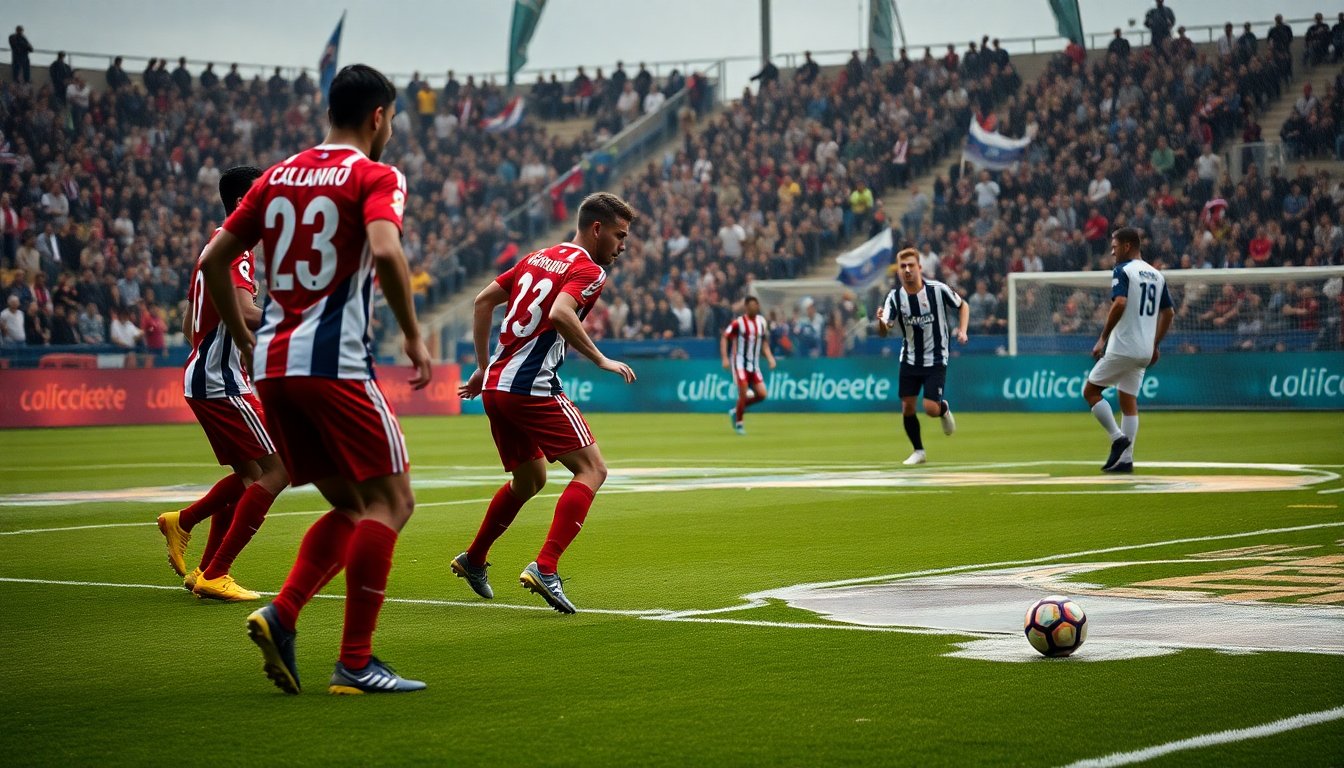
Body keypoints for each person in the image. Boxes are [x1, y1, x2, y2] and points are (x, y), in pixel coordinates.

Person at [199, 64, 432, 695]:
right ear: (379, 116)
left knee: (355, 507)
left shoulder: (275, 177)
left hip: (274, 368)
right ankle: (356, 662)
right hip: (334, 363)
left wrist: (246, 335)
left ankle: (284, 613)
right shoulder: (375, 175)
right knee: (392, 502)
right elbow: (385, 250)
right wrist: (411, 334)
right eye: (391, 121)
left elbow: (212, 259)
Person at [454, 192, 637, 615]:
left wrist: (483, 368)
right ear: (596, 229)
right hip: (531, 387)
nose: (622, 245)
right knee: (594, 469)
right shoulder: (588, 269)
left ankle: (474, 559)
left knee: (529, 480)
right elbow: (560, 312)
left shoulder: (537, 257)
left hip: (498, 388)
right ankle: (546, 566)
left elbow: (482, 301)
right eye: (619, 234)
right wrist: (600, 358)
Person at [155, 166, 289, 601]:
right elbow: (247, 312)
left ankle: (199, 560)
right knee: (280, 468)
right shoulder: (237, 250)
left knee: (250, 475)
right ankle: (215, 567)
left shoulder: (214, 246)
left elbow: (185, 323)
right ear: (241, 205)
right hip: (222, 381)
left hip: (210, 374)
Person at [1082, 228, 1174, 473]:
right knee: (1128, 400)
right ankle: (1126, 460)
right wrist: (1155, 344)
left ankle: (1117, 438)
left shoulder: (1122, 271)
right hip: (1144, 350)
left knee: (1090, 391)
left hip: (1123, 347)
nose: (1112, 251)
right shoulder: (1157, 275)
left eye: (1114, 245)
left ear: (1127, 246)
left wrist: (1102, 338)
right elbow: (1169, 313)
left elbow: (1120, 302)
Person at [875, 248, 968, 465]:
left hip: (936, 358)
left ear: (919, 268)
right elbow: (883, 330)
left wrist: (962, 330)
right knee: (907, 407)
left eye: (910, 266)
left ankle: (943, 409)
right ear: (899, 270)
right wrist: (881, 321)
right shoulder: (895, 297)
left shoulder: (937, 289)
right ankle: (919, 451)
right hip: (909, 358)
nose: (907, 270)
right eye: (902, 267)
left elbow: (963, 305)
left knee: (930, 408)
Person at [721, 295, 777, 435]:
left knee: (762, 394)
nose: (753, 307)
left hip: (754, 364)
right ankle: (739, 424)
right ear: (746, 307)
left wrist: (770, 357)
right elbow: (725, 337)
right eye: (751, 305)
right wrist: (725, 358)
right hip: (740, 364)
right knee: (744, 390)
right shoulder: (738, 323)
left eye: (755, 305)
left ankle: (736, 411)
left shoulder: (761, 323)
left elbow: (764, 343)